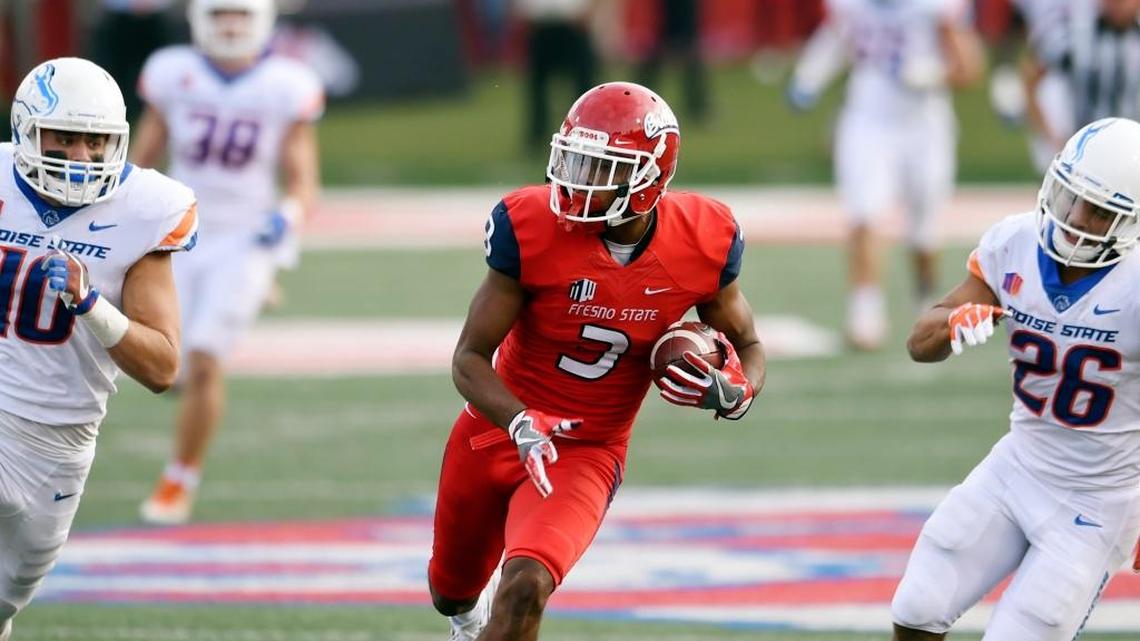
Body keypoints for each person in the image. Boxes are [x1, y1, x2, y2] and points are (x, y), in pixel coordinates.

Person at [427, 81, 766, 641]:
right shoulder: (530, 226)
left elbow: (749, 344)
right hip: (497, 426)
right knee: (450, 591)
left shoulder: (704, 240)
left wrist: (739, 391)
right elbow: (468, 359)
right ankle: (466, 619)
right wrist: (518, 420)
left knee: (525, 587)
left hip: (586, 450)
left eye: (597, 169)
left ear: (648, 179)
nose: (573, 182)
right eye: (574, 160)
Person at [892, 117, 1140, 641]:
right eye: (1070, 197)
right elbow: (920, 343)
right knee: (917, 607)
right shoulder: (1016, 243)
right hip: (1019, 464)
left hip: (1100, 499)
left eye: (1098, 211)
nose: (1075, 218)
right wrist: (950, 325)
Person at [0, 57, 196, 638]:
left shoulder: (145, 209)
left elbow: (163, 366)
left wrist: (93, 307)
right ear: (28, 130)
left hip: (57, 439)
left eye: (96, 140)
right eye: (65, 137)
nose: (82, 155)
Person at [130, 0, 323, 524]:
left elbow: (304, 181)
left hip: (245, 238)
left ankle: (179, 479)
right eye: (220, 14)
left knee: (206, 356)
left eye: (240, 13)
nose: (231, 24)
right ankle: (250, 293)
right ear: (199, 18)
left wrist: (288, 214)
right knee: (169, 372)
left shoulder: (285, 83)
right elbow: (143, 156)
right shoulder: (174, 72)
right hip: (181, 229)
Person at [786, 0, 984, 350]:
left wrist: (934, 73)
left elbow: (970, 67)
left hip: (925, 125)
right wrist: (809, 77)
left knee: (923, 229)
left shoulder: (935, 7)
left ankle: (925, 300)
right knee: (863, 213)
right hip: (868, 119)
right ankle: (865, 315)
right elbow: (837, 36)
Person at [1022, 0, 1140, 171]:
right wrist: (1050, 135)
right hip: (1081, 155)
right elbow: (1031, 78)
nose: (1118, 4)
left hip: (1132, 154)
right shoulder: (1075, 32)